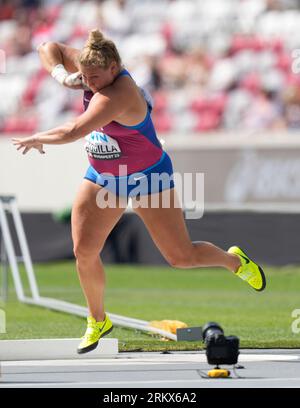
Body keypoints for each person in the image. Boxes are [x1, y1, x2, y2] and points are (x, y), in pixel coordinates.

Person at [12, 29, 266, 354]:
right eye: (85, 76)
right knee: (84, 251)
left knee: (181, 257)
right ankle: (97, 319)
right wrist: (65, 76)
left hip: (147, 176)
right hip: (105, 176)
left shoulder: (117, 94)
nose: (88, 82)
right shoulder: (93, 63)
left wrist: (38, 138)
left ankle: (235, 262)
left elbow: (74, 130)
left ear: (115, 68)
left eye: (94, 77)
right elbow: (48, 47)